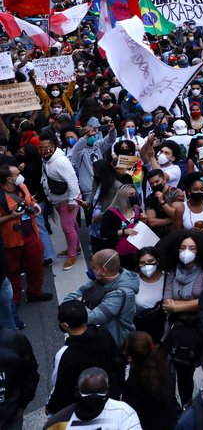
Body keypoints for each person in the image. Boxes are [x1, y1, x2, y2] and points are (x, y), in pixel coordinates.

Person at [159, 229, 203, 406]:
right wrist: (186, 305)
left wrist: (177, 306)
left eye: (192, 248)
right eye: (183, 247)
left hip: (202, 329)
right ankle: (186, 405)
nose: (187, 251)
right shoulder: (171, 271)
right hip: (179, 330)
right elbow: (166, 301)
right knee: (183, 374)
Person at [46, 300, 119, 415]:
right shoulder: (103, 331)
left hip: (82, 407)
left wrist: (51, 407)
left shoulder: (65, 354)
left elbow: (61, 387)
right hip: (107, 397)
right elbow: (117, 362)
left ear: (65, 325)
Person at [64, 249, 140, 346]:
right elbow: (78, 292)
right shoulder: (100, 278)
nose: (91, 270)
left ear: (104, 270)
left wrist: (77, 304)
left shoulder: (120, 293)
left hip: (113, 341)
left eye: (93, 267)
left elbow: (91, 318)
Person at [0, 164, 50, 305]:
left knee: (36, 266)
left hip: (30, 234)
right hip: (10, 240)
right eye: (17, 174)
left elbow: (29, 200)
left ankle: (35, 293)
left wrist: (33, 205)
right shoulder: (1, 197)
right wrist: (11, 217)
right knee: (12, 271)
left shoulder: (22, 187)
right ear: (9, 179)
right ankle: (14, 301)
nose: (21, 175)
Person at [44, 367, 142, 430]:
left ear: (108, 390)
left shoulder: (124, 413)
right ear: (76, 391)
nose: (94, 398)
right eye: (87, 392)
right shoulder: (57, 424)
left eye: (100, 392)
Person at [39, 131, 84, 271]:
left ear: (53, 145)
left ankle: (72, 256)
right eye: (40, 147)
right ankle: (75, 247)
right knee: (72, 225)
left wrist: (72, 200)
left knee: (67, 227)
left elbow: (72, 181)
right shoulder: (46, 159)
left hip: (68, 199)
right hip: (58, 199)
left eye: (46, 146)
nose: (43, 149)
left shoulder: (61, 161)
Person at [120, 331, 181, 430]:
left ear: (133, 358)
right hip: (168, 421)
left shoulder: (134, 384)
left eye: (128, 356)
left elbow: (128, 411)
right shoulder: (161, 367)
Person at [0, 324, 39, 430]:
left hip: (13, 413)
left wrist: (22, 404)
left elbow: (30, 373)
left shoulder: (15, 340)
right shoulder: (15, 338)